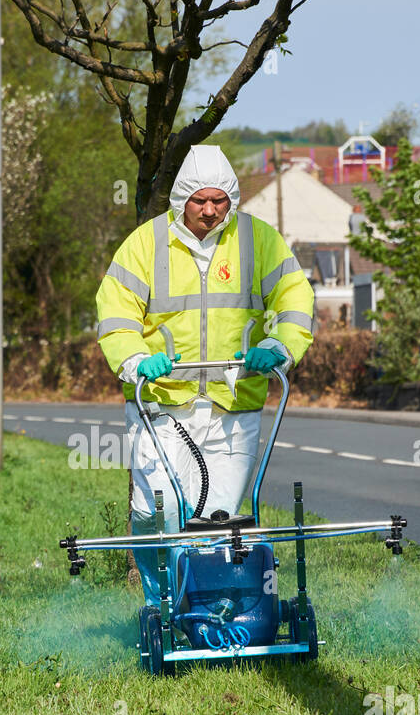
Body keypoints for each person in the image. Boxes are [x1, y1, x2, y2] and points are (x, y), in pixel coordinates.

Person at [96, 144, 314, 605]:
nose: (210, 210)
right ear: (181, 200)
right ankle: (161, 608)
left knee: (219, 519)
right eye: (200, 201)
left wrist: (277, 347)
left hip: (234, 402)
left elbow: (295, 297)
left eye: (219, 200)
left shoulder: (259, 241)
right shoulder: (145, 245)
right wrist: (137, 360)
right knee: (159, 511)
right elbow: (116, 315)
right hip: (160, 403)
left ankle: (205, 616)